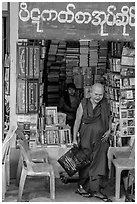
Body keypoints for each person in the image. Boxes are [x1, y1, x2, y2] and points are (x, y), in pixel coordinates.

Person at [72, 83, 112, 201]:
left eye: (100, 95)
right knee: (85, 161)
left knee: (99, 162)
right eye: (96, 94)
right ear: (90, 93)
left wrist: (109, 130)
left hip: (101, 139)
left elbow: (109, 118)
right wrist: (74, 138)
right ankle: (82, 187)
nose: (98, 97)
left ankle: (96, 189)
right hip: (86, 136)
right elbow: (77, 121)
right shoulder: (83, 104)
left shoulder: (105, 104)